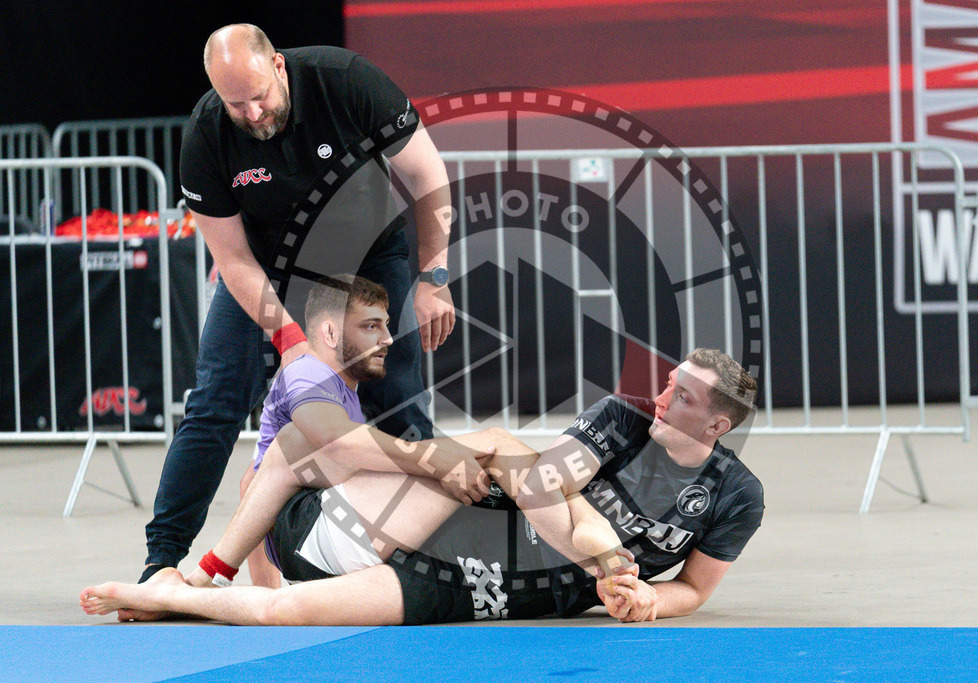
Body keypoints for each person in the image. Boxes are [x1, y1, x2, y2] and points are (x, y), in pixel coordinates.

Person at [83, 349, 764, 624]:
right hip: (470, 516)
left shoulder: (736, 494)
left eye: (684, 395)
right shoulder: (623, 418)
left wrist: (649, 597)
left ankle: (171, 594)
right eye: (669, 382)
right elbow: (558, 489)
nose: (663, 394)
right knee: (495, 448)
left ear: (718, 424)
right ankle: (208, 569)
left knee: (280, 613)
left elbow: (696, 588)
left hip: (480, 582)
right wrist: (610, 561)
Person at [142, 23, 456, 582]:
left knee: (395, 394)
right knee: (214, 401)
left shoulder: (346, 81)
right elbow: (233, 258)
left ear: (279, 66)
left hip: (368, 256)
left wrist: (433, 277)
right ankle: (161, 561)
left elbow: (427, 173)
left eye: (260, 96)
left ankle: (435, 551)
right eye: (236, 104)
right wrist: (288, 338)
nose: (253, 113)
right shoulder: (207, 135)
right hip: (268, 270)